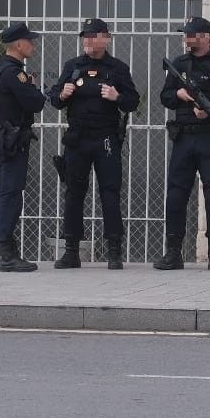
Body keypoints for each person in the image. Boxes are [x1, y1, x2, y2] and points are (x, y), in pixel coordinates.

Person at [46, 17, 140, 270]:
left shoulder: (117, 68)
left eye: (92, 35)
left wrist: (117, 96)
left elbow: (133, 101)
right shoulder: (73, 66)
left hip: (106, 138)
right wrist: (62, 94)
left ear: (105, 38)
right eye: (84, 36)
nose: (87, 40)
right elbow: (54, 98)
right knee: (74, 194)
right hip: (78, 138)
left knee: (109, 193)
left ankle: (114, 250)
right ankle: (71, 250)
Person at [155, 15, 210, 272]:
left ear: (205, 37)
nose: (186, 38)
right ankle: (173, 252)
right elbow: (165, 96)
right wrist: (179, 94)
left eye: (191, 34)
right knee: (176, 193)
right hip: (184, 137)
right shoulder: (179, 64)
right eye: (186, 34)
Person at [0, 21, 46, 272]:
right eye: (30, 41)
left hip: (2, 138)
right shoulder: (15, 73)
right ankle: (7, 255)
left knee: (1, 195)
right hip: (13, 140)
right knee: (10, 195)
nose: (32, 45)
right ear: (19, 44)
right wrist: (33, 88)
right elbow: (36, 103)